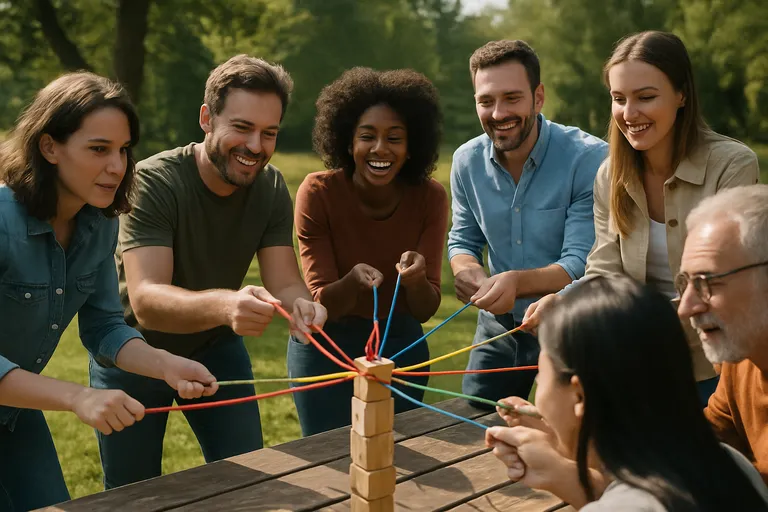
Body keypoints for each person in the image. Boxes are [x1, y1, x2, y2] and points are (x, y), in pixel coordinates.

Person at [90, 55, 328, 489]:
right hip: (134, 355)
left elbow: (286, 280)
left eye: (269, 133)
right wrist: (227, 305)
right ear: (206, 118)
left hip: (216, 349)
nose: (256, 146)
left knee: (251, 483)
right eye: (242, 127)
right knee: (131, 495)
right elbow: (147, 303)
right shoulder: (154, 182)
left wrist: (304, 308)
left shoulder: (271, 187)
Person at [0, 72, 217, 511]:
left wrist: (167, 364)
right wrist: (79, 396)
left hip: (13, 415)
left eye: (123, 150)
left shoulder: (101, 223)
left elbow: (103, 327)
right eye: (99, 149)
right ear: (49, 147)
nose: (117, 166)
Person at [522, 31, 759, 404]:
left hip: (716, 366)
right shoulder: (609, 175)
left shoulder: (732, 165)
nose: (629, 114)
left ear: (682, 95)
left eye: (645, 97)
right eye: (619, 99)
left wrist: (627, 325)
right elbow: (603, 271)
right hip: (638, 362)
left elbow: (720, 286)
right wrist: (566, 301)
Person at [486, 276, 768, 511]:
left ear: (580, 396)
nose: (538, 385)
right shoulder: (730, 462)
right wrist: (563, 457)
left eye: (541, 375)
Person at [448, 40, 607, 404]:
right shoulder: (465, 161)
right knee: (475, 422)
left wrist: (516, 283)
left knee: (579, 441)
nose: (498, 112)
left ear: (538, 98)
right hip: (497, 330)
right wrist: (467, 269)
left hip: (572, 323)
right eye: (486, 101)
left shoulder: (590, 159)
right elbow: (462, 239)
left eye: (512, 98)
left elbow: (579, 264)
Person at [291, 67, 448, 436]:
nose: (380, 149)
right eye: (367, 136)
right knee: (324, 461)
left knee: (398, 458)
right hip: (326, 346)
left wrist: (417, 279)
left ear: (411, 149)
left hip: (400, 345)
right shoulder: (318, 193)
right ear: (347, 143)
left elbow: (425, 309)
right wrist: (354, 280)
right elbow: (321, 303)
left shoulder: (430, 197)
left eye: (395, 138)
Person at [677, 184, 768, 484]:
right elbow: (701, 445)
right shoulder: (743, 359)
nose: (686, 307)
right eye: (685, 283)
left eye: (707, 282)